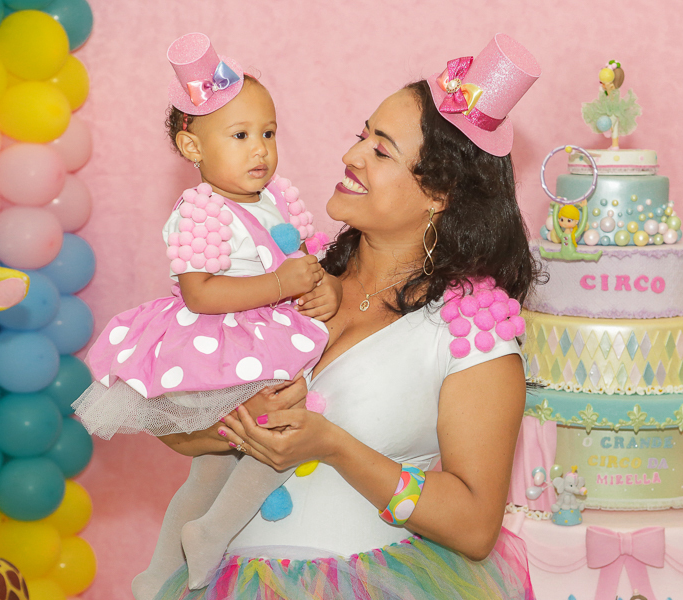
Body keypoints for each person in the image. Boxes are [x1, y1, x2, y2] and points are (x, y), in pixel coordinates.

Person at [155, 33, 541, 599]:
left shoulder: (472, 329)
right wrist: (236, 419)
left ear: (440, 193)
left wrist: (332, 445)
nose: (351, 155)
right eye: (362, 135)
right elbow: (175, 431)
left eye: (381, 150)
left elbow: (476, 526)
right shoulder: (286, 278)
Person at [70, 33, 340, 597]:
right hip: (222, 343)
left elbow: (308, 260)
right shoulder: (200, 211)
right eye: (240, 136)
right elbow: (199, 293)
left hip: (268, 333)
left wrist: (322, 288)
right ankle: (192, 546)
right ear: (193, 149)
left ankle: (179, 555)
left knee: (235, 456)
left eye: (268, 133)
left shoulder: (280, 197)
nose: (260, 149)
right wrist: (277, 284)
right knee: (273, 436)